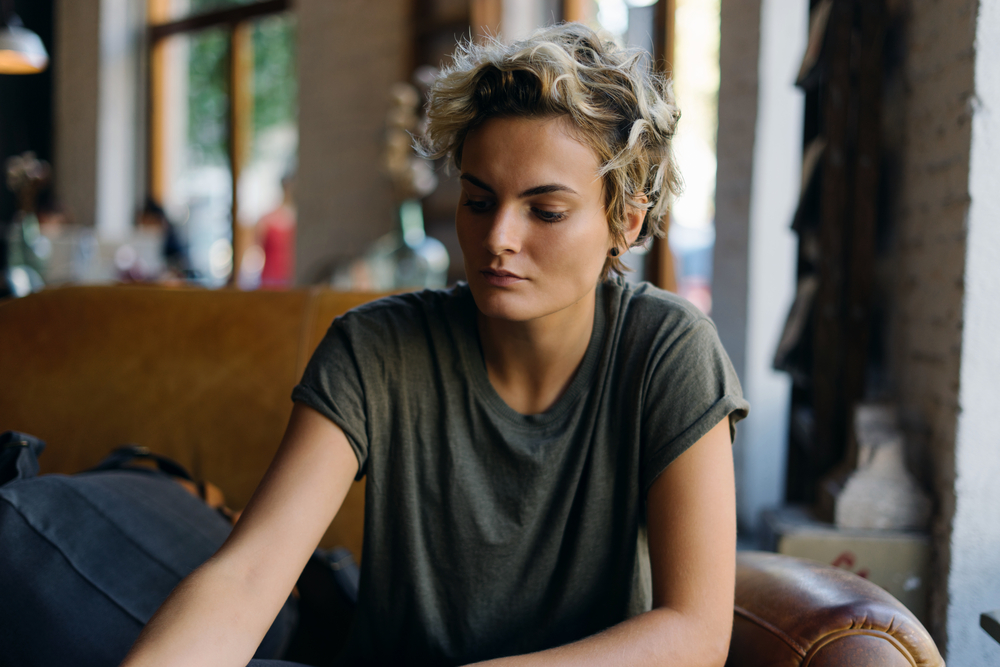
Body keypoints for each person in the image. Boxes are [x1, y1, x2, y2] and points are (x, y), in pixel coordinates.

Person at [120, 23, 749, 667]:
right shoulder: (374, 350)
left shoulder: (668, 351)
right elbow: (247, 577)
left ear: (628, 219)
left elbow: (694, 632)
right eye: (478, 201)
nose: (497, 236)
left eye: (546, 211)